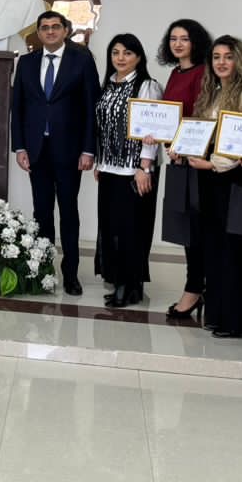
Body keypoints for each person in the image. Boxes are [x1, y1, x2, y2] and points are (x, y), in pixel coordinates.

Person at [180, 36, 242, 339]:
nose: (221, 62)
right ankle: (220, 314)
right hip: (210, 179)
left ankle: (238, 320)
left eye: (228, 57)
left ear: (239, 60)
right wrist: (183, 149)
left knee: (234, 249)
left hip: (232, 179)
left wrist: (213, 164)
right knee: (215, 248)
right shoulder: (214, 92)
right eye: (216, 57)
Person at [10, 10, 99, 295]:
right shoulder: (26, 62)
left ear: (65, 31)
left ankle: (70, 273)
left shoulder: (81, 60)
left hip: (70, 151)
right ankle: (43, 268)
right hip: (37, 150)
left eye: (55, 27)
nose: (50, 31)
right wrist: (20, 146)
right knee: (42, 212)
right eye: (45, 27)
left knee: (69, 212)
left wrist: (89, 149)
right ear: (38, 33)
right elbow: (18, 106)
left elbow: (91, 107)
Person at [91, 32, 160, 308]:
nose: (120, 58)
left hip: (134, 170)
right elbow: (103, 126)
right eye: (115, 52)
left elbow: (152, 131)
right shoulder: (108, 84)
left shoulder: (146, 86)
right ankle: (118, 279)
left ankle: (129, 285)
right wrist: (100, 162)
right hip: (109, 168)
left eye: (127, 53)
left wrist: (145, 166)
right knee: (110, 227)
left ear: (139, 57)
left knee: (131, 229)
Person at [155, 18, 211, 319]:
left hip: (198, 162)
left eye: (185, 39)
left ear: (196, 42)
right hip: (178, 160)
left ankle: (196, 288)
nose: (178, 44)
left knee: (199, 229)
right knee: (186, 227)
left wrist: (184, 146)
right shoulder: (176, 72)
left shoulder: (204, 72)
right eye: (173, 38)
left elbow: (202, 118)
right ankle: (197, 286)